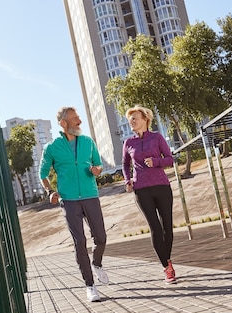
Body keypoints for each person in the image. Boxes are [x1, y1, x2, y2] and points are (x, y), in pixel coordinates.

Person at [39, 106, 109, 302]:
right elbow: (42, 174)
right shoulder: (52, 148)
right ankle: (90, 285)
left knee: (101, 238)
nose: (79, 121)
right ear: (63, 123)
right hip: (69, 201)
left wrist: (97, 169)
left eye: (79, 117)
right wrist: (50, 191)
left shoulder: (88, 142)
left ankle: (97, 263)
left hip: (90, 195)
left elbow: (98, 163)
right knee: (79, 242)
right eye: (75, 118)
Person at [122, 105, 177, 283]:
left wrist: (155, 161)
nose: (132, 121)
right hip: (141, 189)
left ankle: (166, 258)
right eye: (130, 119)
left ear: (145, 119)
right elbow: (125, 164)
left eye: (135, 118)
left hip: (161, 186)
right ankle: (166, 267)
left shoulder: (157, 138)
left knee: (167, 226)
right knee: (155, 227)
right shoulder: (128, 142)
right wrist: (127, 180)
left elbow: (170, 159)